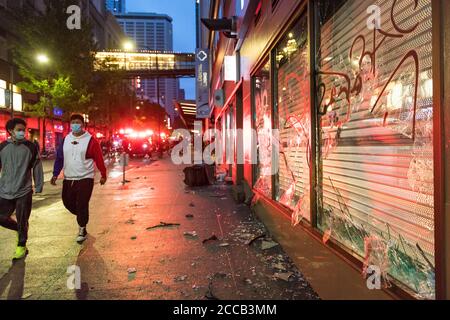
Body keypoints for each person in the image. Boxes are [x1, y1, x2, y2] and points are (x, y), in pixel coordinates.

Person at [51, 114, 107, 244]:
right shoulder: (65, 140)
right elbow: (60, 158)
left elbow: (99, 159)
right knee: (67, 202)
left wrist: (103, 174)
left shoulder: (91, 140)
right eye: (73, 122)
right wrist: (55, 174)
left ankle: (82, 228)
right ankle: (83, 215)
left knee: (82, 203)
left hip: (85, 178)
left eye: (77, 122)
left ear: (82, 124)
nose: (75, 125)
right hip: (69, 178)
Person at [0, 118, 43, 260]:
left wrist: (38, 184)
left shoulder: (31, 147)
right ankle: (19, 230)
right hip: (5, 190)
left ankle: (21, 246)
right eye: (19, 130)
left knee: (23, 219)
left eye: (23, 130)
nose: (22, 132)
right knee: (2, 217)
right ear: (10, 131)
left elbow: (37, 165)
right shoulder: (2, 147)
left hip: (24, 190)